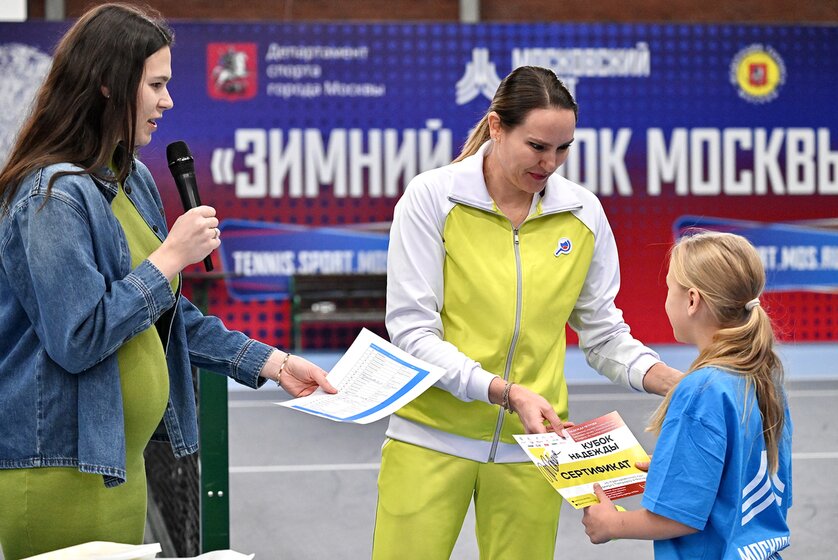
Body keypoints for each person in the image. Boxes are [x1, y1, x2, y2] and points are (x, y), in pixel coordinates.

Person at [0, 4, 335, 558]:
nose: (168, 101)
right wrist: (170, 257)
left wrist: (273, 364)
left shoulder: (129, 178)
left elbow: (165, 316)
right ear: (108, 85)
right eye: (156, 85)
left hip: (116, 464)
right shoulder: (51, 196)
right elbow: (78, 337)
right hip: (57, 470)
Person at [374, 65, 683, 560]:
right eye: (537, 146)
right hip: (429, 439)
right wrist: (505, 391)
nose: (550, 163)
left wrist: (673, 381)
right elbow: (413, 333)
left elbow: (603, 334)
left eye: (563, 149)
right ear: (497, 127)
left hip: (536, 448)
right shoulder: (432, 197)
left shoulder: (584, 214)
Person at [581, 231, 792, 559]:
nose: (666, 299)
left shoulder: (701, 390)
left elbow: (678, 518)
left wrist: (611, 524)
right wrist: (677, 461)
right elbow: (751, 478)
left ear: (692, 300)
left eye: (669, 288)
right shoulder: (766, 376)